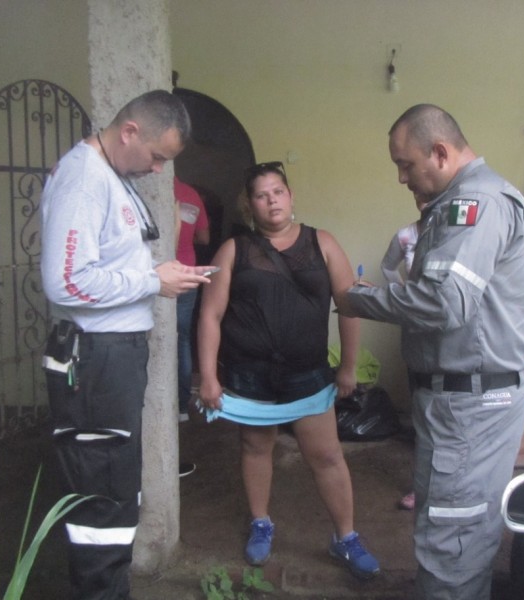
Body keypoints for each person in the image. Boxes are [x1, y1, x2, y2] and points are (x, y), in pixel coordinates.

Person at [337, 104, 524, 600]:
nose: (400, 177)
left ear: (440, 152)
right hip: (468, 396)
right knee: (463, 531)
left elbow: (444, 301)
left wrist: (355, 298)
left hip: (469, 404)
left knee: (450, 540)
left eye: (405, 164)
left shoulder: (474, 202)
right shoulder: (465, 199)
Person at [40, 90, 212, 600]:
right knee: (102, 495)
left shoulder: (109, 176)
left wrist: (160, 274)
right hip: (95, 359)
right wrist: (151, 282)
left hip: (111, 357)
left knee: (114, 489)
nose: (159, 170)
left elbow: (108, 263)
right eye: (158, 157)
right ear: (130, 131)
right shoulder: (83, 180)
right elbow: (66, 282)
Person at [196, 161, 380, 580]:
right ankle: (261, 522)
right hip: (249, 376)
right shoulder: (233, 251)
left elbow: (349, 306)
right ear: (251, 205)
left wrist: (348, 366)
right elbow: (211, 315)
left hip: (308, 375)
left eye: (277, 191)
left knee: (328, 455)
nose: (271, 200)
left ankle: (345, 537)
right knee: (257, 449)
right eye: (261, 195)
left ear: (290, 196)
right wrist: (209, 375)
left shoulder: (323, 244)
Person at [379, 192, 427, 511]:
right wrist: (402, 294)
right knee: (422, 408)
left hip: (456, 335)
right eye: (420, 196)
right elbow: (387, 267)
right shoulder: (406, 235)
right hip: (418, 330)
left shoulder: (461, 232)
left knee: (453, 411)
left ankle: (457, 487)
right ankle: (421, 487)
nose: (425, 200)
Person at [175, 176, 211, 423]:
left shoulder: (137, 187)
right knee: (182, 339)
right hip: (186, 274)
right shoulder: (190, 194)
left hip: (154, 275)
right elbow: (204, 238)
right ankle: (180, 407)